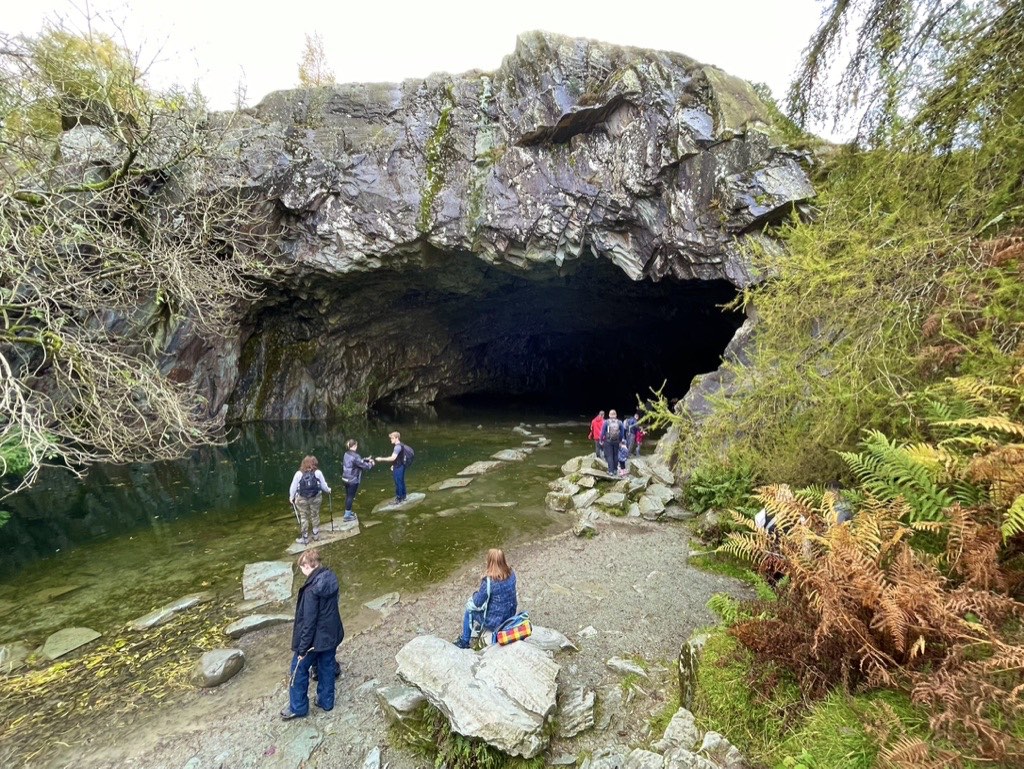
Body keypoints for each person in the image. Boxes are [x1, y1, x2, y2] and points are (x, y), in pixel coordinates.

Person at [280, 548, 344, 720]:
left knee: (298, 670)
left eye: (302, 567)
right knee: (327, 666)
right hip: (331, 635)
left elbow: (308, 623)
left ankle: (298, 707)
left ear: (308, 566)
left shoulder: (311, 590)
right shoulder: (331, 578)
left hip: (315, 640)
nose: (301, 570)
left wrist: (302, 650)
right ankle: (326, 702)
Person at [454, 548, 518, 649]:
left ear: (490, 562)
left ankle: (464, 641)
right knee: (493, 602)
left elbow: (477, 602)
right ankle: (479, 629)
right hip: (510, 614)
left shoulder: (489, 582)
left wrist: (474, 595)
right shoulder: (511, 573)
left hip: (496, 621)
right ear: (503, 560)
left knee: (469, 611)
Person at [289, 455, 332, 545]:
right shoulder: (318, 473)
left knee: (304, 517)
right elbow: (324, 485)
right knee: (315, 514)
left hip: (301, 499)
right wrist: (328, 490)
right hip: (315, 497)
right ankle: (315, 534)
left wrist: (291, 497)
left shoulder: (298, 473)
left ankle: (305, 538)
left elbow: (293, 487)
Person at [341, 439, 374, 522]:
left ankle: (348, 511)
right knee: (350, 497)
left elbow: (356, 462)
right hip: (352, 479)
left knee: (348, 496)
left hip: (345, 478)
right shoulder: (356, 456)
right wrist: (371, 463)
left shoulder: (346, 454)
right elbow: (364, 466)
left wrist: (365, 459)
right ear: (355, 446)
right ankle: (347, 516)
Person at [375, 431, 409, 504]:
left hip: (399, 467)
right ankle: (404, 496)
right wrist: (393, 465)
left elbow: (393, 458)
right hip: (401, 465)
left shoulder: (397, 447)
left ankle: (399, 499)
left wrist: (381, 459)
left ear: (397, 438)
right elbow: (400, 457)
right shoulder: (401, 445)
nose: (391, 440)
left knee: (398, 482)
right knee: (401, 481)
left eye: (392, 438)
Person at [601, 409, 624, 475]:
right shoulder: (619, 422)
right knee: (616, 455)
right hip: (617, 441)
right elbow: (622, 433)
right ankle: (615, 470)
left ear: (609, 415)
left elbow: (602, 432)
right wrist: (620, 440)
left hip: (608, 441)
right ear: (616, 415)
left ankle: (610, 471)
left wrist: (601, 440)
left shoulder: (606, 422)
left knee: (610, 456)